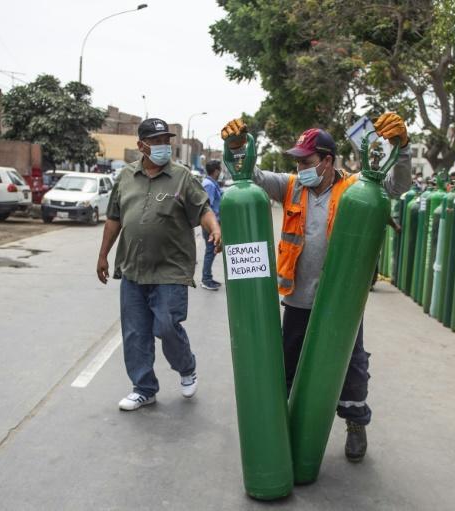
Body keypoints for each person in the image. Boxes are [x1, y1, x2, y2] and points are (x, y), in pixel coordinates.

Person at [220, 113, 411, 462]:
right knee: (287, 365)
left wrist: (403, 148)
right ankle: (286, 430)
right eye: (297, 161)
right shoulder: (292, 185)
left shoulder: (353, 188)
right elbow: (251, 176)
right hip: (297, 297)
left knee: (351, 367)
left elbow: (397, 187)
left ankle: (355, 423)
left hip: (338, 302)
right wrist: (235, 148)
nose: (300, 166)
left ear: (327, 160)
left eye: (306, 161)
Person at [97, 118, 222, 410]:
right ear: (141, 146)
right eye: (156, 142)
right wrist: (103, 255)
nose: (163, 146)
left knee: (166, 325)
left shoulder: (181, 176)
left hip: (170, 268)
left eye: (166, 141)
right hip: (133, 268)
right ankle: (144, 388)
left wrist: (214, 228)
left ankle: (187, 366)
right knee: (135, 331)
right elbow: (114, 218)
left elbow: (202, 208)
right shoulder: (126, 177)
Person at [201, 160, 223, 290]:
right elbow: (207, 206)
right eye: (219, 170)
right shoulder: (209, 184)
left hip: (213, 223)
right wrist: (214, 226)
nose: (219, 173)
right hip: (211, 223)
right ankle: (206, 279)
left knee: (211, 251)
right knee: (210, 251)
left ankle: (207, 277)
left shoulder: (211, 183)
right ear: (216, 171)